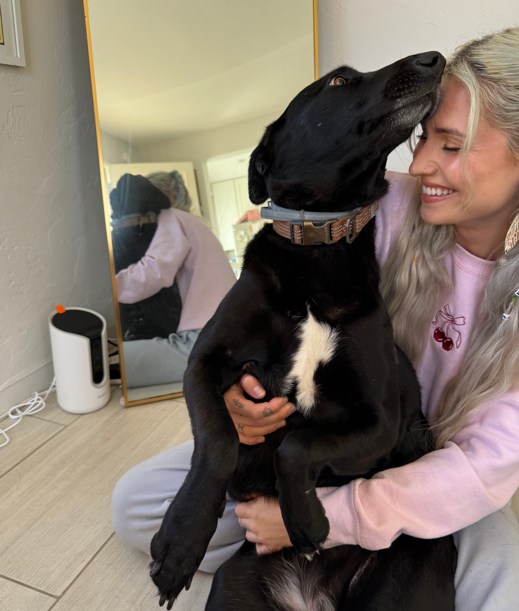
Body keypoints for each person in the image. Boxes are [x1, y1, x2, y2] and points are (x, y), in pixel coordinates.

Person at [111, 28, 519, 609]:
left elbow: (481, 468)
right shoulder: (386, 203)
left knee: (505, 578)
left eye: (451, 147)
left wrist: (330, 516)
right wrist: (236, 403)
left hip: (429, 469)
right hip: (317, 433)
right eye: (423, 136)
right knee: (136, 504)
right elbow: (275, 309)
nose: (421, 164)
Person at [116, 170, 236, 388]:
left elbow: (154, 271)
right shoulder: (194, 223)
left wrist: (112, 288)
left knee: (121, 359)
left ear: (165, 197)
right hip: (226, 332)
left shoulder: (171, 217)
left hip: (209, 339)